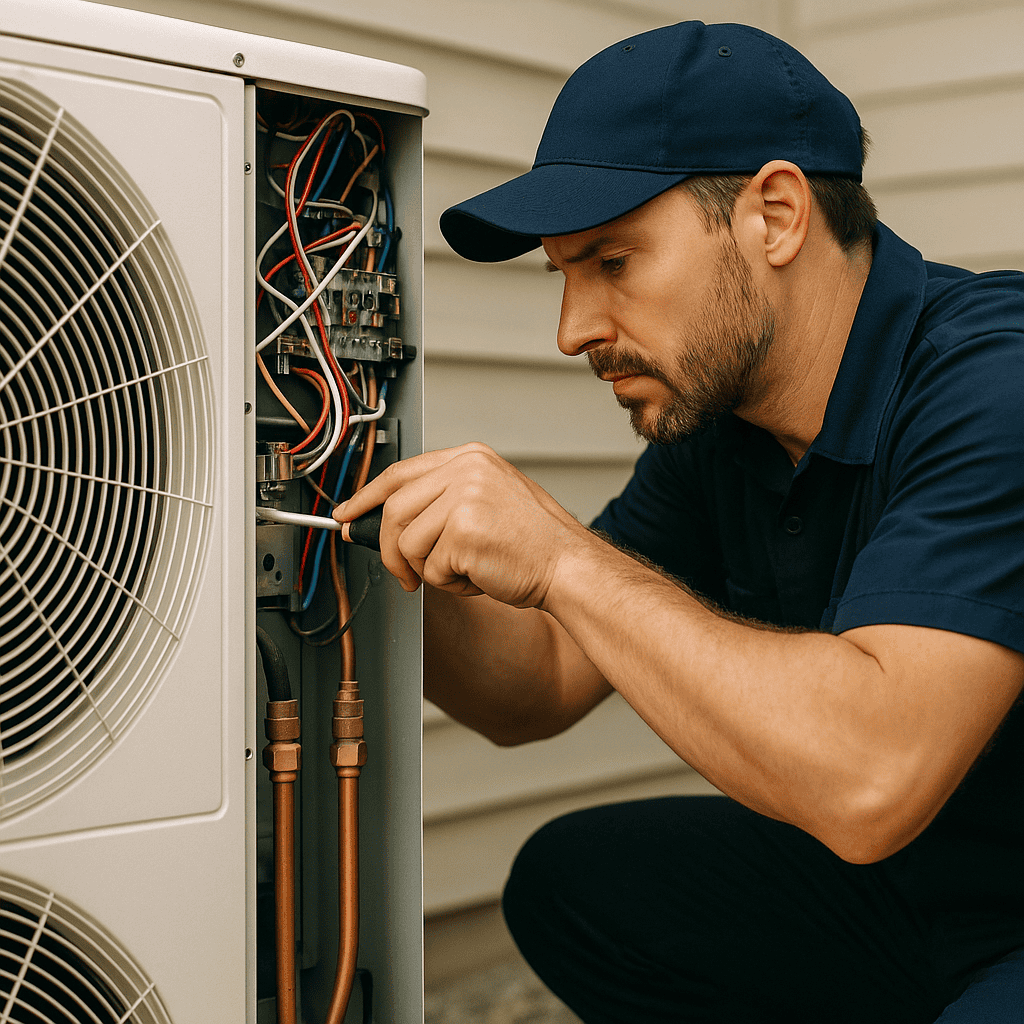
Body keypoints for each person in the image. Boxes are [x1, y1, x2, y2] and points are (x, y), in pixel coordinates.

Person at [335, 21, 1024, 1024]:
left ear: (775, 215)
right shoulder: (726, 427)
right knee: (578, 885)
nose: (573, 330)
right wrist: (373, 534)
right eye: (563, 274)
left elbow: (871, 777)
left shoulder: (991, 383)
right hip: (917, 896)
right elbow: (537, 685)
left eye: (613, 261)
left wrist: (563, 556)